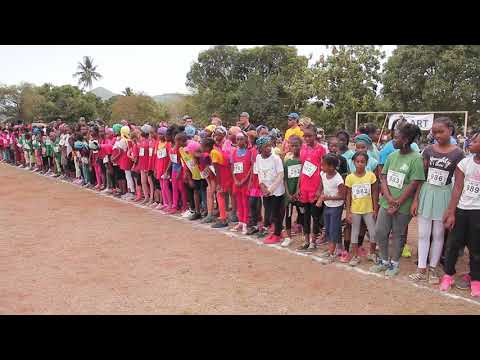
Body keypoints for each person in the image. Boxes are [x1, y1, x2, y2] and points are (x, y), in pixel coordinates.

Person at [409, 118, 465, 284]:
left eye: (441, 131)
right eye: (434, 132)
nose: (437, 135)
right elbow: (421, 176)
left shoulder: (458, 154)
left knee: (439, 234)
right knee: (423, 234)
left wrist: (452, 208)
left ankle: (433, 269)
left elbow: (458, 182)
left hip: (444, 194)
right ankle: (421, 268)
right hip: (427, 192)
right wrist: (416, 199)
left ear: (450, 130)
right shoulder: (427, 150)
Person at [370, 123, 425, 276]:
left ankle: (394, 263)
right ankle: (383, 260)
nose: (393, 140)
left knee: (398, 234)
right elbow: (384, 176)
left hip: (403, 205)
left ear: (406, 140)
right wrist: (388, 198)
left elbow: (415, 183)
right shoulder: (392, 156)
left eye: (396, 137)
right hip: (387, 202)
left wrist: (398, 202)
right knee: (380, 231)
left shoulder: (416, 159)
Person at [440, 131, 480, 297]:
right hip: (462, 209)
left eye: (475, 141)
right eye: (471, 139)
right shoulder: (464, 163)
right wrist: (451, 212)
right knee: (453, 244)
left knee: (476, 248)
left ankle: (476, 280)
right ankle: (448, 275)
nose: (470, 142)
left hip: (478, 213)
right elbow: (457, 188)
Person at [345, 151, 379, 266]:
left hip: (368, 210)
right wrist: (348, 211)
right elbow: (348, 196)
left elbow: (375, 192)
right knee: (354, 233)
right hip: (355, 210)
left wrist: (375, 209)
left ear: (366, 163)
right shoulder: (350, 178)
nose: (360, 164)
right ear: (353, 163)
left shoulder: (371, 176)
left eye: (362, 162)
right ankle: (355, 256)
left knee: (373, 232)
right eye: (357, 162)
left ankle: (372, 253)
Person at [297, 124, 326, 252]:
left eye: (309, 136)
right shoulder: (303, 148)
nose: (307, 138)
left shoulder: (321, 149)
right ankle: (306, 240)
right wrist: (298, 186)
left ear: (315, 136)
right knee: (305, 215)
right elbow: (302, 168)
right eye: (305, 136)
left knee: (314, 215)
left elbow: (323, 170)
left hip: (315, 186)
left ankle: (313, 241)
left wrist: (320, 189)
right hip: (304, 186)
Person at [255, 136, 286, 244]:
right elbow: (259, 172)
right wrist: (262, 185)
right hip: (265, 190)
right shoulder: (258, 158)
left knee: (276, 214)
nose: (269, 148)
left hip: (276, 191)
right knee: (268, 213)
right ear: (260, 148)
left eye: (269, 145)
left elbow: (280, 175)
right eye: (266, 146)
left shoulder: (275, 158)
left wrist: (270, 189)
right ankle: (278, 232)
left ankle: (277, 235)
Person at [316, 154, 346, 264]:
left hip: (336, 206)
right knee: (329, 227)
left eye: (323, 164)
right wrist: (319, 195)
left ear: (332, 167)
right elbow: (320, 187)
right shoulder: (323, 174)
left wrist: (326, 197)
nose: (321, 166)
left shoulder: (338, 180)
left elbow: (342, 196)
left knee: (333, 229)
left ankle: (331, 253)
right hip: (327, 205)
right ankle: (336, 248)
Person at [282, 135, 303, 247]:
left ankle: (306, 237)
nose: (295, 148)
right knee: (288, 215)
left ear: (301, 146)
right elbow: (285, 179)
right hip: (289, 194)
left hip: (300, 194)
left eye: (297, 146)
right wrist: (288, 193)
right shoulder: (287, 162)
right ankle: (288, 237)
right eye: (292, 146)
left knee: (302, 214)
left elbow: (303, 177)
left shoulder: (302, 161)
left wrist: (298, 190)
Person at [230, 131, 252, 234]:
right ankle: (240, 221)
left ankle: (246, 222)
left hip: (246, 182)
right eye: (237, 139)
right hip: (237, 181)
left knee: (245, 202)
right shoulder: (234, 152)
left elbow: (251, 168)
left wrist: (244, 180)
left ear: (246, 140)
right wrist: (235, 179)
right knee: (239, 201)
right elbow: (232, 167)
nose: (239, 141)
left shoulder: (249, 152)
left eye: (241, 139)